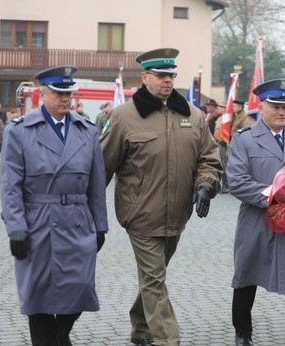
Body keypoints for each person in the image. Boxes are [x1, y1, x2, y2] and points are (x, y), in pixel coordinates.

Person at [100, 48, 222, 346]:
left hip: (178, 215)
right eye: (161, 76)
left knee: (153, 278)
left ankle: (141, 328)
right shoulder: (122, 117)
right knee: (155, 279)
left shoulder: (192, 116)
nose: (167, 81)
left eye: (171, 76)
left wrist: (205, 185)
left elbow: (209, 157)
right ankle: (169, 340)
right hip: (140, 215)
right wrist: (89, 216)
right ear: (145, 78)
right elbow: (101, 166)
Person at [0, 65, 108, 346]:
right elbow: (10, 185)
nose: (65, 99)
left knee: (81, 288)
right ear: (43, 95)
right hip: (38, 223)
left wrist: (100, 225)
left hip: (77, 221)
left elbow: (97, 183)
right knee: (39, 296)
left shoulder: (86, 130)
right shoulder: (20, 131)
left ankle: (60, 336)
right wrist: (16, 229)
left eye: (68, 93)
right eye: (59, 93)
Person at [227, 79, 285, 346]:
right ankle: (243, 333)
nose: (281, 112)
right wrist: (276, 196)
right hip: (257, 220)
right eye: (275, 106)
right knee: (246, 280)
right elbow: (238, 182)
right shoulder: (244, 140)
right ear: (261, 106)